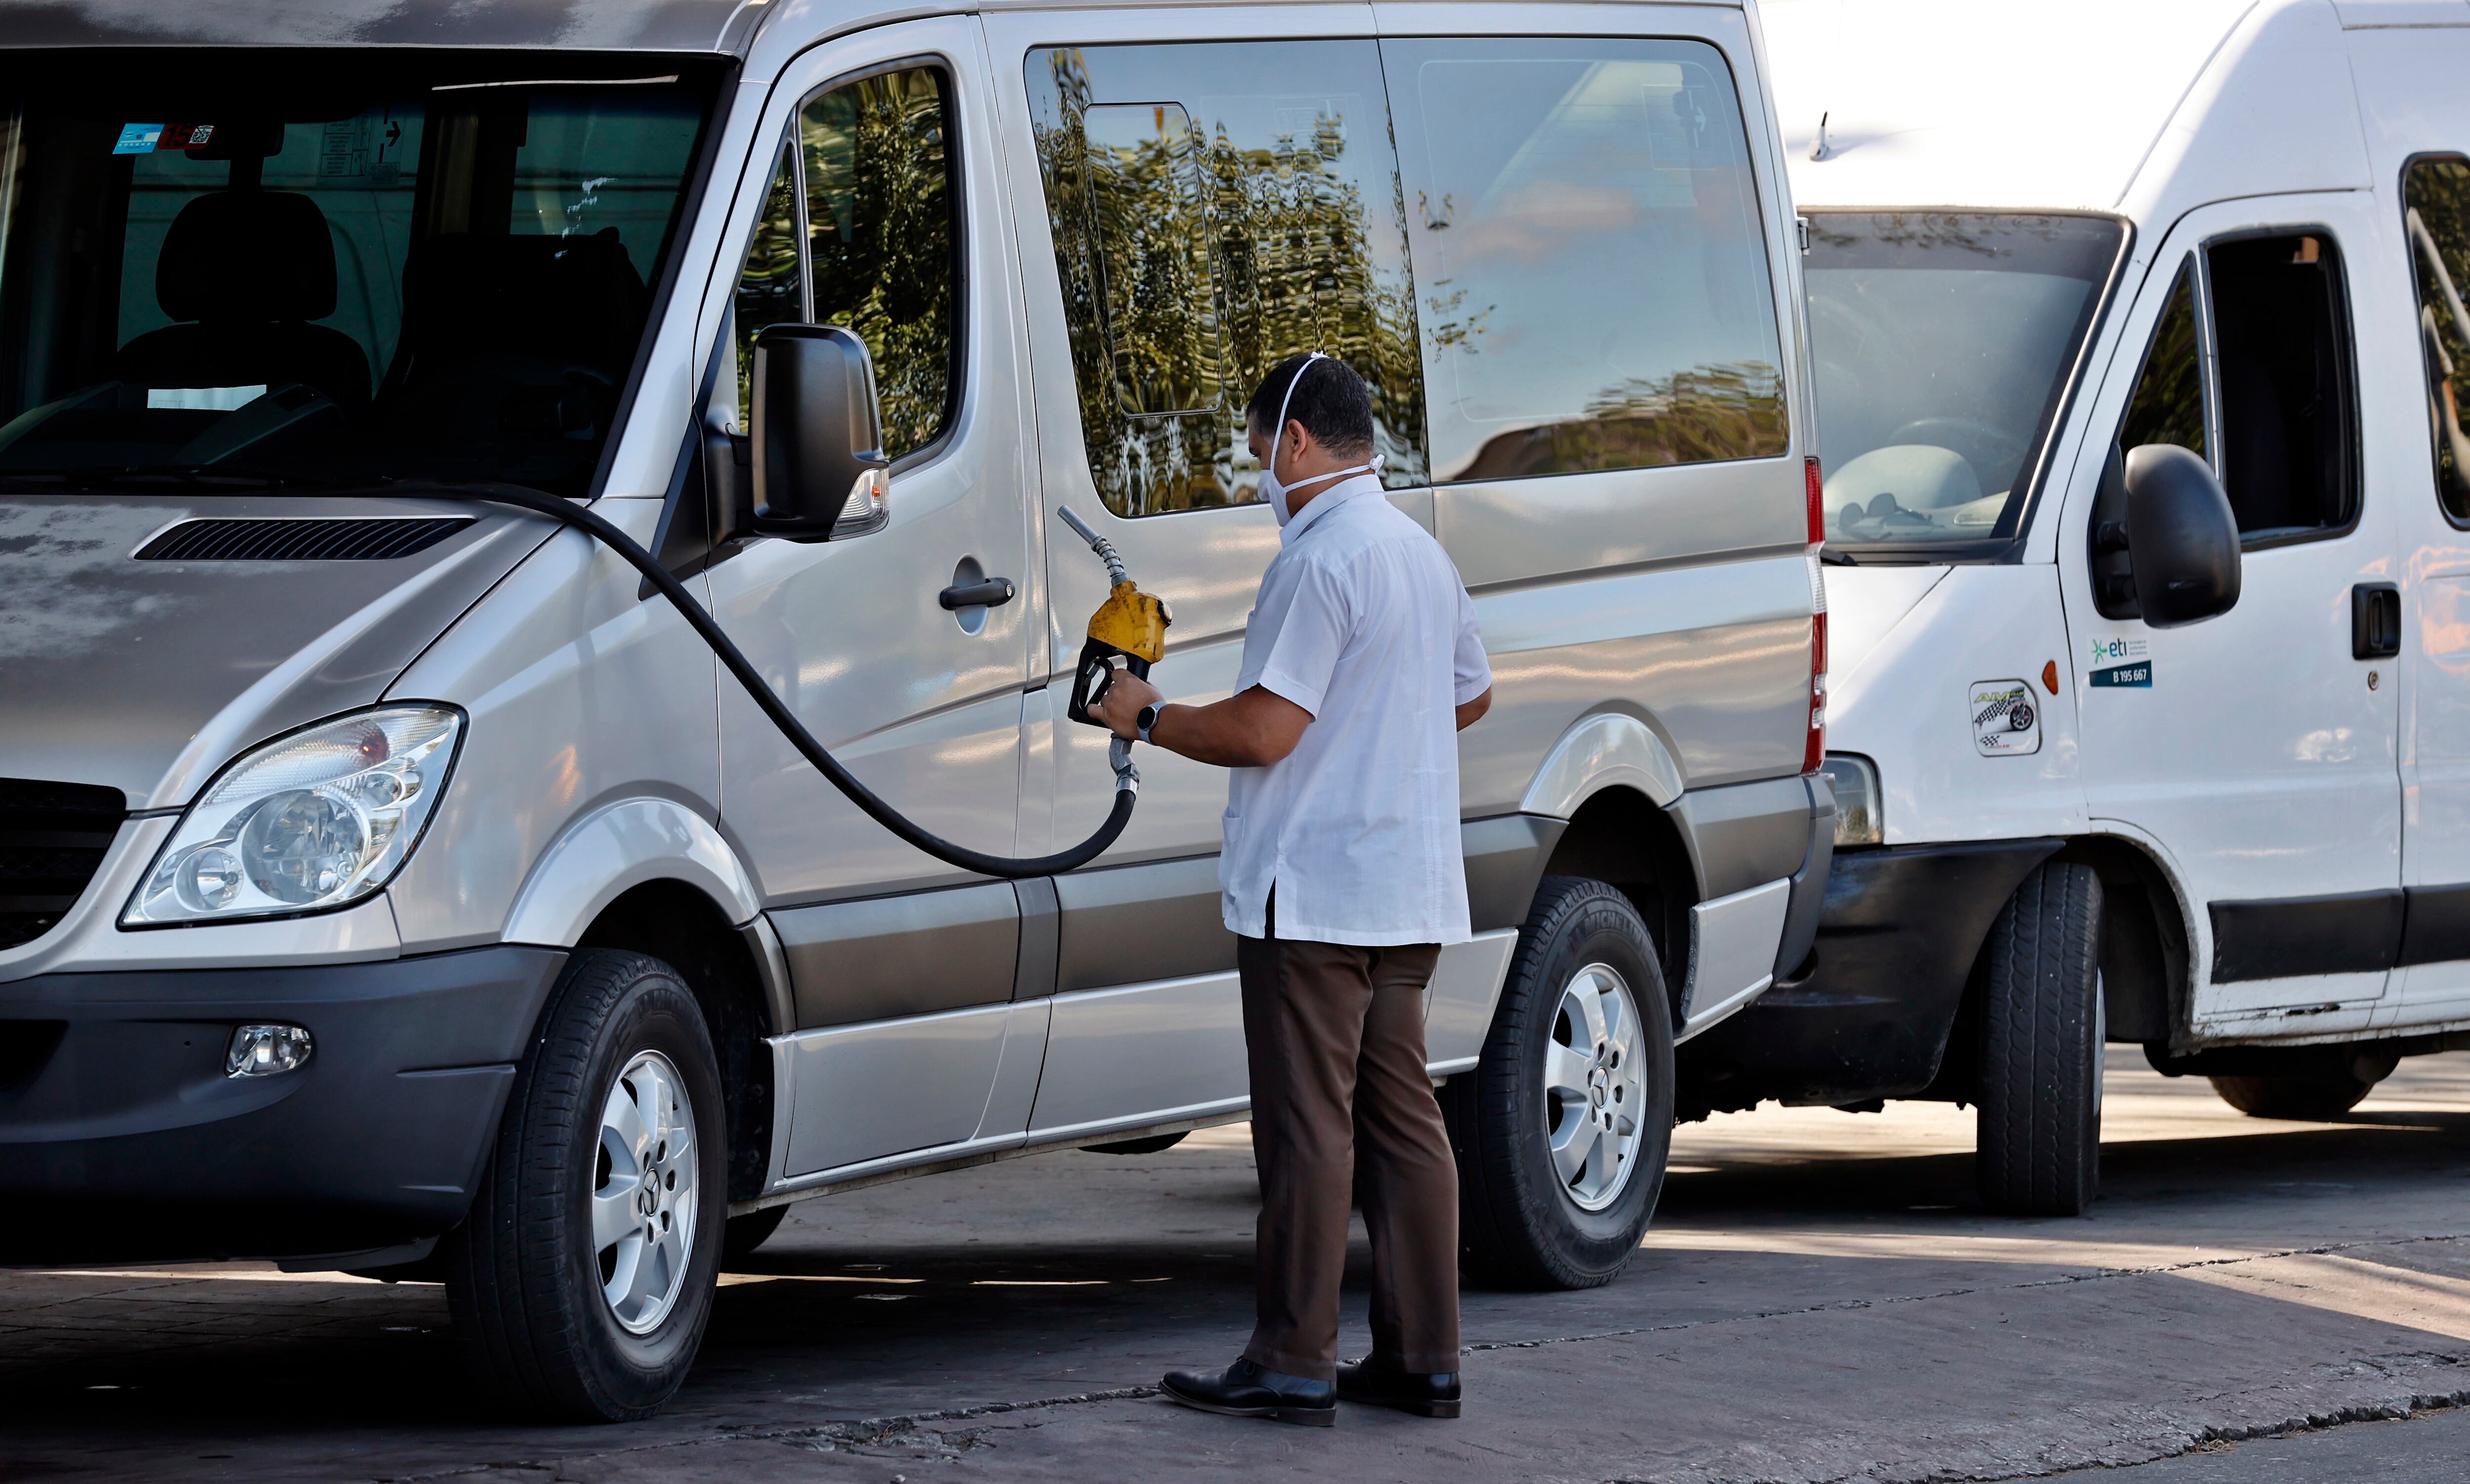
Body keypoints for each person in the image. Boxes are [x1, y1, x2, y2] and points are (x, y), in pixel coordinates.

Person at [1088, 353, 1492, 1427]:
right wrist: (1369, 734)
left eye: (1256, 443)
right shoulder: (1418, 553)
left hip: (1312, 892)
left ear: (1298, 441)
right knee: (1405, 1123)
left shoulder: (1317, 562)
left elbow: (1266, 731)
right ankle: (1423, 1356)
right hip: (1405, 887)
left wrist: (1145, 714)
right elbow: (1470, 696)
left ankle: (1290, 1357)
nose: (1252, 465)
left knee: (1309, 1127)